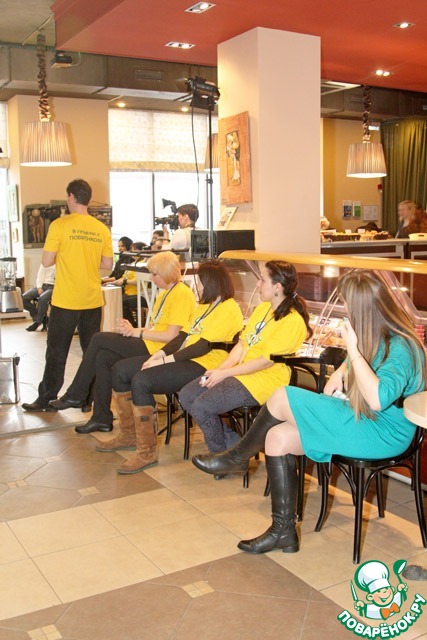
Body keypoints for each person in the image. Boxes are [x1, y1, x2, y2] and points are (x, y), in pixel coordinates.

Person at [192, 270, 426, 555]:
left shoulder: (402, 346)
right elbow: (362, 367)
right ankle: (283, 532)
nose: (345, 311)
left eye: (348, 305)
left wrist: (352, 352)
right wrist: (342, 370)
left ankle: (237, 457)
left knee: (282, 396)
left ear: (363, 309)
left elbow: (378, 399)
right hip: (360, 418)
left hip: (382, 432)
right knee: (277, 437)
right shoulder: (374, 334)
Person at [106, 259, 244, 474]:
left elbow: (201, 347)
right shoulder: (204, 307)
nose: (197, 287)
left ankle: (146, 452)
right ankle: (129, 435)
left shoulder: (229, 308)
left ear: (210, 283)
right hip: (186, 359)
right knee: (121, 370)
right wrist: (159, 354)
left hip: (205, 364)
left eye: (199, 282)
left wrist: (164, 361)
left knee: (142, 380)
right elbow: (182, 337)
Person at [50, 251, 196, 434]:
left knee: (98, 338)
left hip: (161, 350)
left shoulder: (181, 294)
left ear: (166, 272)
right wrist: (131, 329)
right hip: (151, 343)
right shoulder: (166, 293)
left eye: (154, 274)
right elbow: (155, 327)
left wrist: (137, 332)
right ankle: (101, 418)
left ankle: (77, 394)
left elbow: (172, 336)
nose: (151, 278)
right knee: (103, 357)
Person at [179, 261, 311, 454]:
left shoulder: (292, 321)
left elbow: (264, 363)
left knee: (202, 406)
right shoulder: (263, 309)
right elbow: (241, 345)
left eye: (262, 280)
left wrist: (225, 374)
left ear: (277, 287)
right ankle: (237, 450)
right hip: (240, 373)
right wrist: (220, 370)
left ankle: (221, 458)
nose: (257, 284)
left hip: (264, 380)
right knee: (187, 395)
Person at [22, 179, 114, 412]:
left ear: (72, 197)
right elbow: (107, 265)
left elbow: (46, 261)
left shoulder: (60, 225)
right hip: (92, 300)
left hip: (66, 300)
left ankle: (46, 398)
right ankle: (87, 399)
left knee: (56, 351)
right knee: (91, 352)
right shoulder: (101, 229)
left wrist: (67, 254)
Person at [22, 263, 56, 332]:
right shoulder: (45, 263)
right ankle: (41, 318)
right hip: (42, 286)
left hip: (53, 287)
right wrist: (39, 287)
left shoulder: (59, 264)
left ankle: (37, 322)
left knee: (42, 298)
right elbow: (40, 275)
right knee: (23, 298)